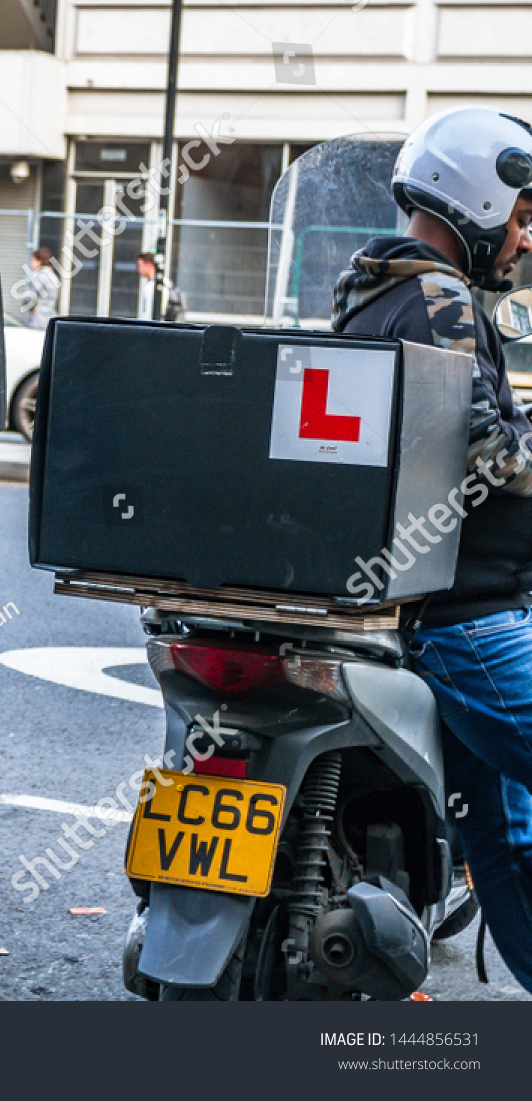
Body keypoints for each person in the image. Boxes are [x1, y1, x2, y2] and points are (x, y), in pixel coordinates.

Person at [333, 105, 532, 994]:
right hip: (470, 619)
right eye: (521, 217)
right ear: (480, 203)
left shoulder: (376, 292)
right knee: (503, 836)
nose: (524, 241)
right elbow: (492, 458)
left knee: (503, 839)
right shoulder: (444, 300)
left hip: (431, 610)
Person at [136, 251, 185, 321]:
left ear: (148, 264)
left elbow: (151, 312)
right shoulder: (163, 284)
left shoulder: (156, 286)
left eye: (140, 266)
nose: (138, 270)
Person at [21, 247, 59, 330]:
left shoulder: (39, 276)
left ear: (39, 261)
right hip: (50, 317)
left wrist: (25, 297)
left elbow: (30, 298)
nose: (31, 263)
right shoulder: (53, 276)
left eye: (33, 260)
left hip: (38, 320)